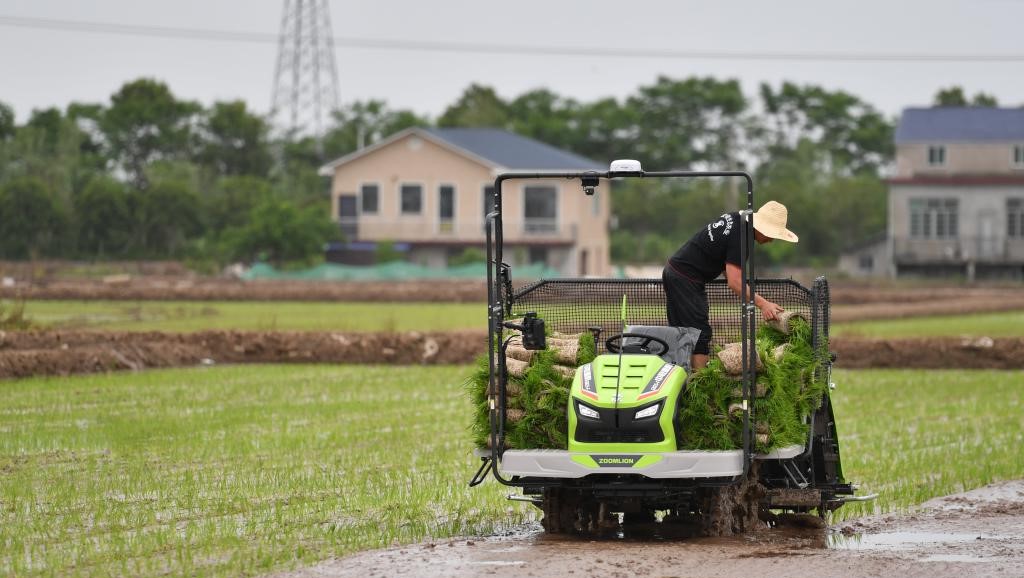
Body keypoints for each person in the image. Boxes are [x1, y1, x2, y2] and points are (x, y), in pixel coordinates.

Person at [662, 200, 799, 370]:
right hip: (685, 278)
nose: (771, 240)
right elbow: (734, 282)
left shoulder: (737, 221)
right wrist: (763, 304)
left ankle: (681, 379)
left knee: (682, 333)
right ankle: (698, 382)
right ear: (763, 228)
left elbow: (727, 266)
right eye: (772, 234)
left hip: (675, 272)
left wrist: (743, 288)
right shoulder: (742, 237)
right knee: (699, 335)